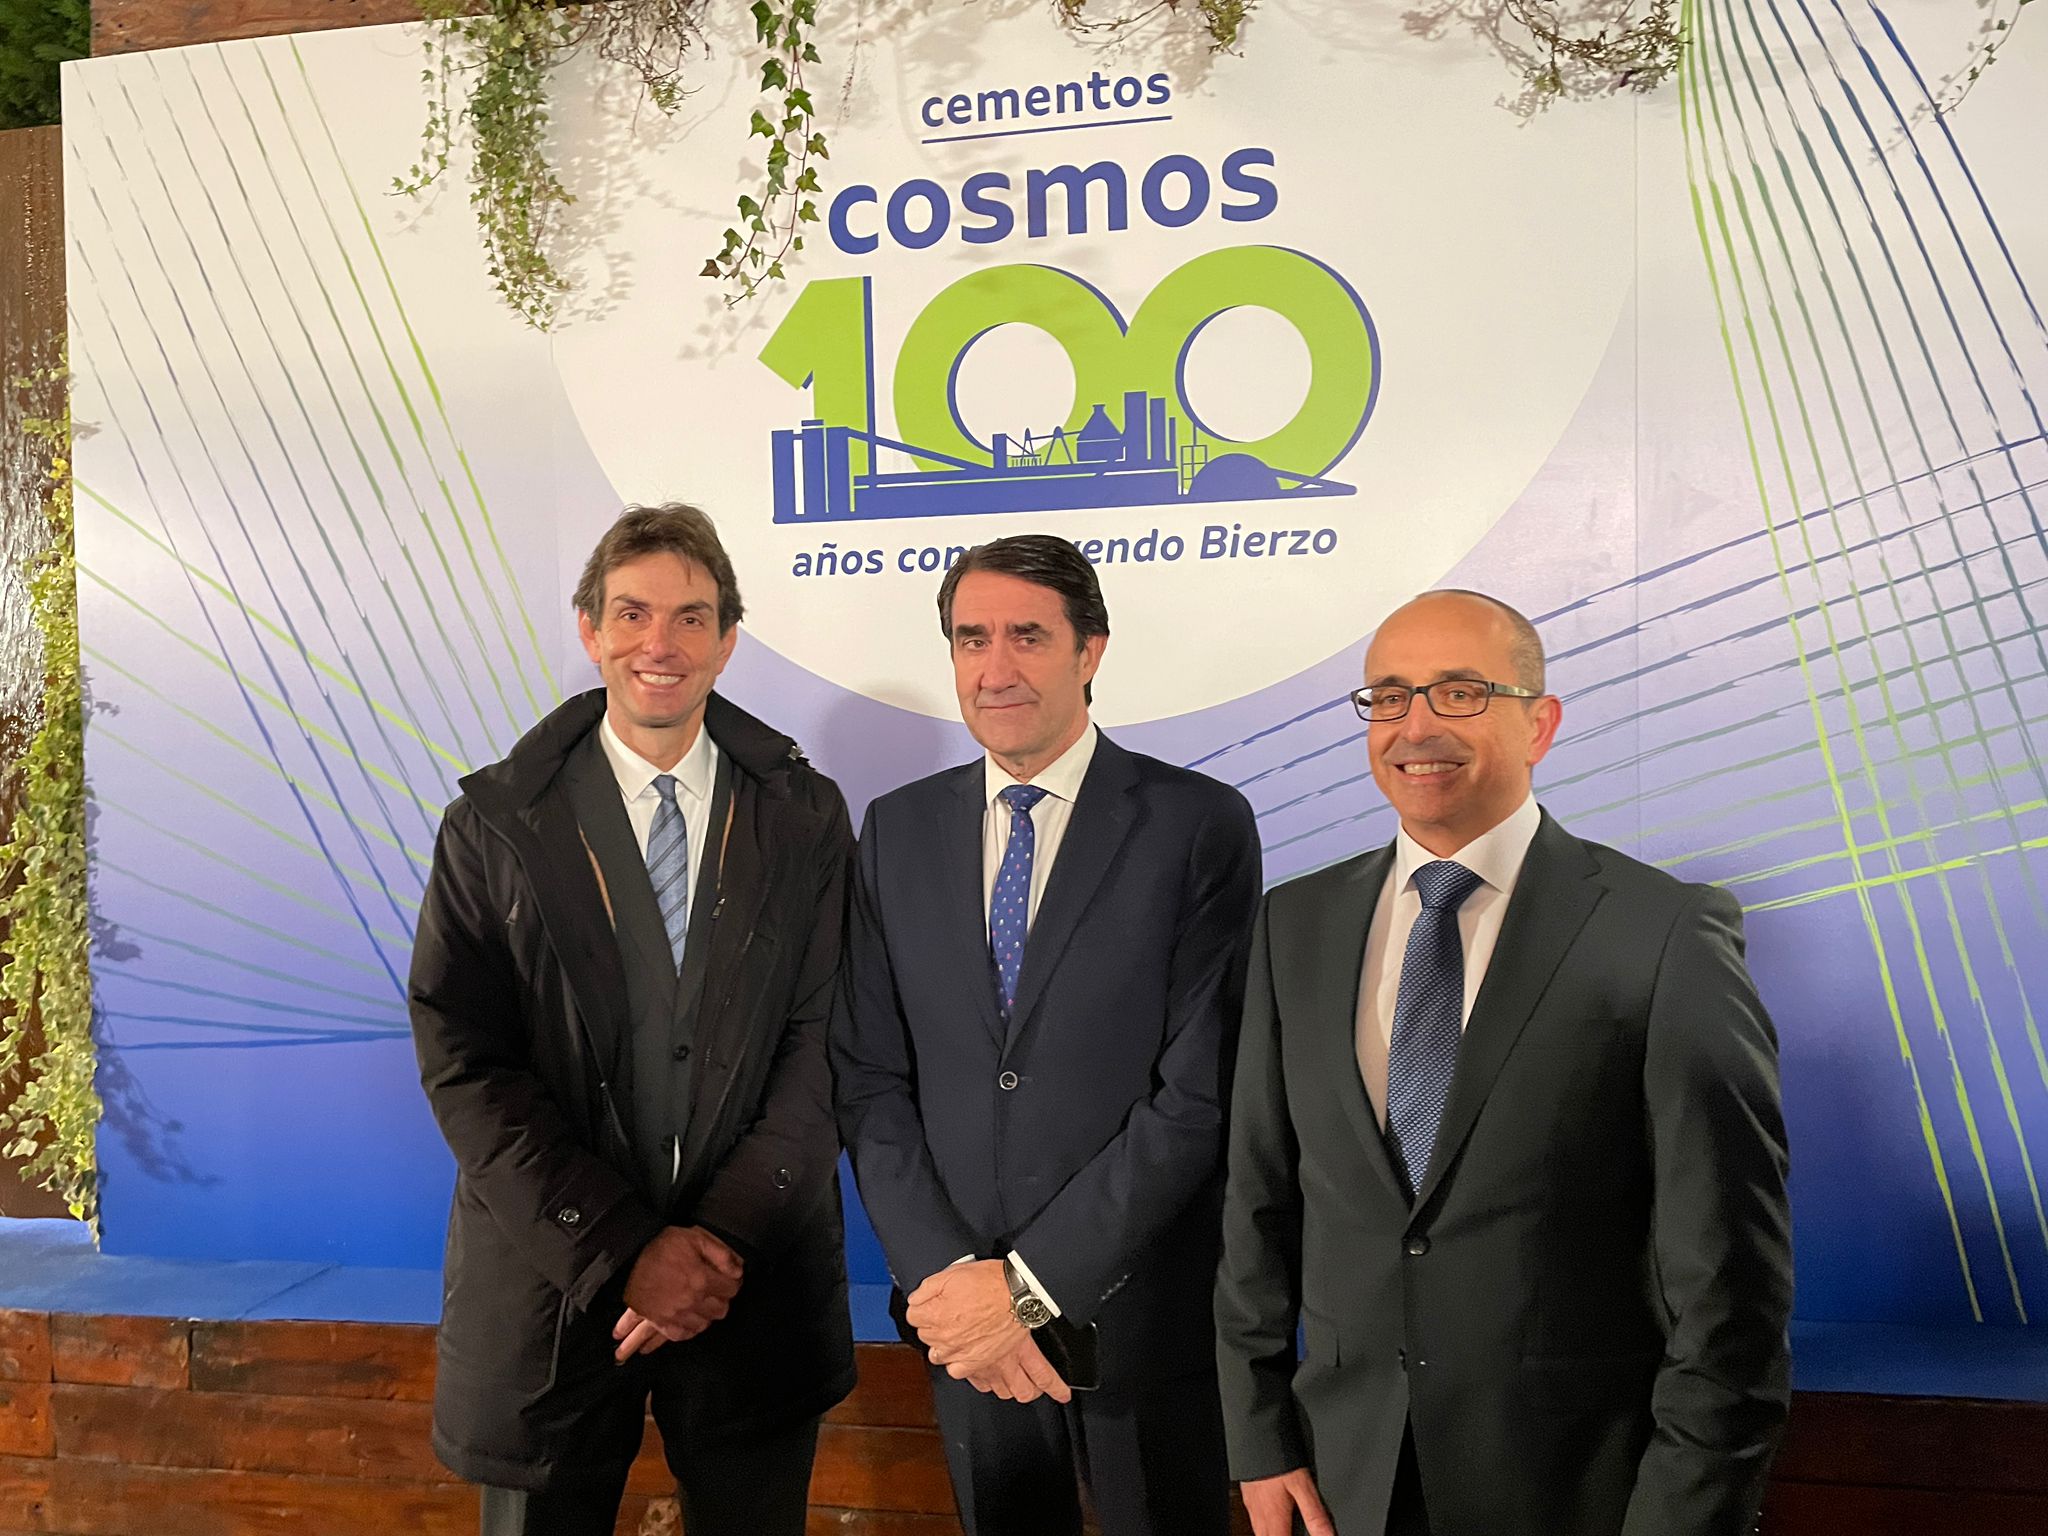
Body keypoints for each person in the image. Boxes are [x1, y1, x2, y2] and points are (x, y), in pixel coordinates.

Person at [1215, 589, 1794, 1536]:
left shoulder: (1663, 932)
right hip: (1343, 1483)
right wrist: (1259, 1436)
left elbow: (1731, 1283)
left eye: (1459, 692)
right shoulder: (1296, 923)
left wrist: (1683, 1518)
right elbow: (1258, 1203)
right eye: (1389, 697)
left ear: (1541, 723)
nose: (1417, 726)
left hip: (1580, 1493)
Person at [409, 504, 856, 1536]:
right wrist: (623, 1249)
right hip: (549, 1290)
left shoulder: (804, 814)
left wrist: (716, 1242)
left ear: (728, 639)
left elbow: (826, 1038)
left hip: (750, 1285)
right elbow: (465, 1058)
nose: (660, 644)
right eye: (633, 613)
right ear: (589, 630)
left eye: (691, 618)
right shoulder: (491, 824)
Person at [832, 534, 1263, 1536]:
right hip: (963, 1333)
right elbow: (867, 1077)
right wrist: (950, 1285)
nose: (995, 668)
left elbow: (1199, 1094)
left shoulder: (1194, 823)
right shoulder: (894, 831)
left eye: (1027, 635)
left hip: (1135, 1320)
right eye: (970, 638)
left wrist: (1026, 1290)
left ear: (1090, 650)